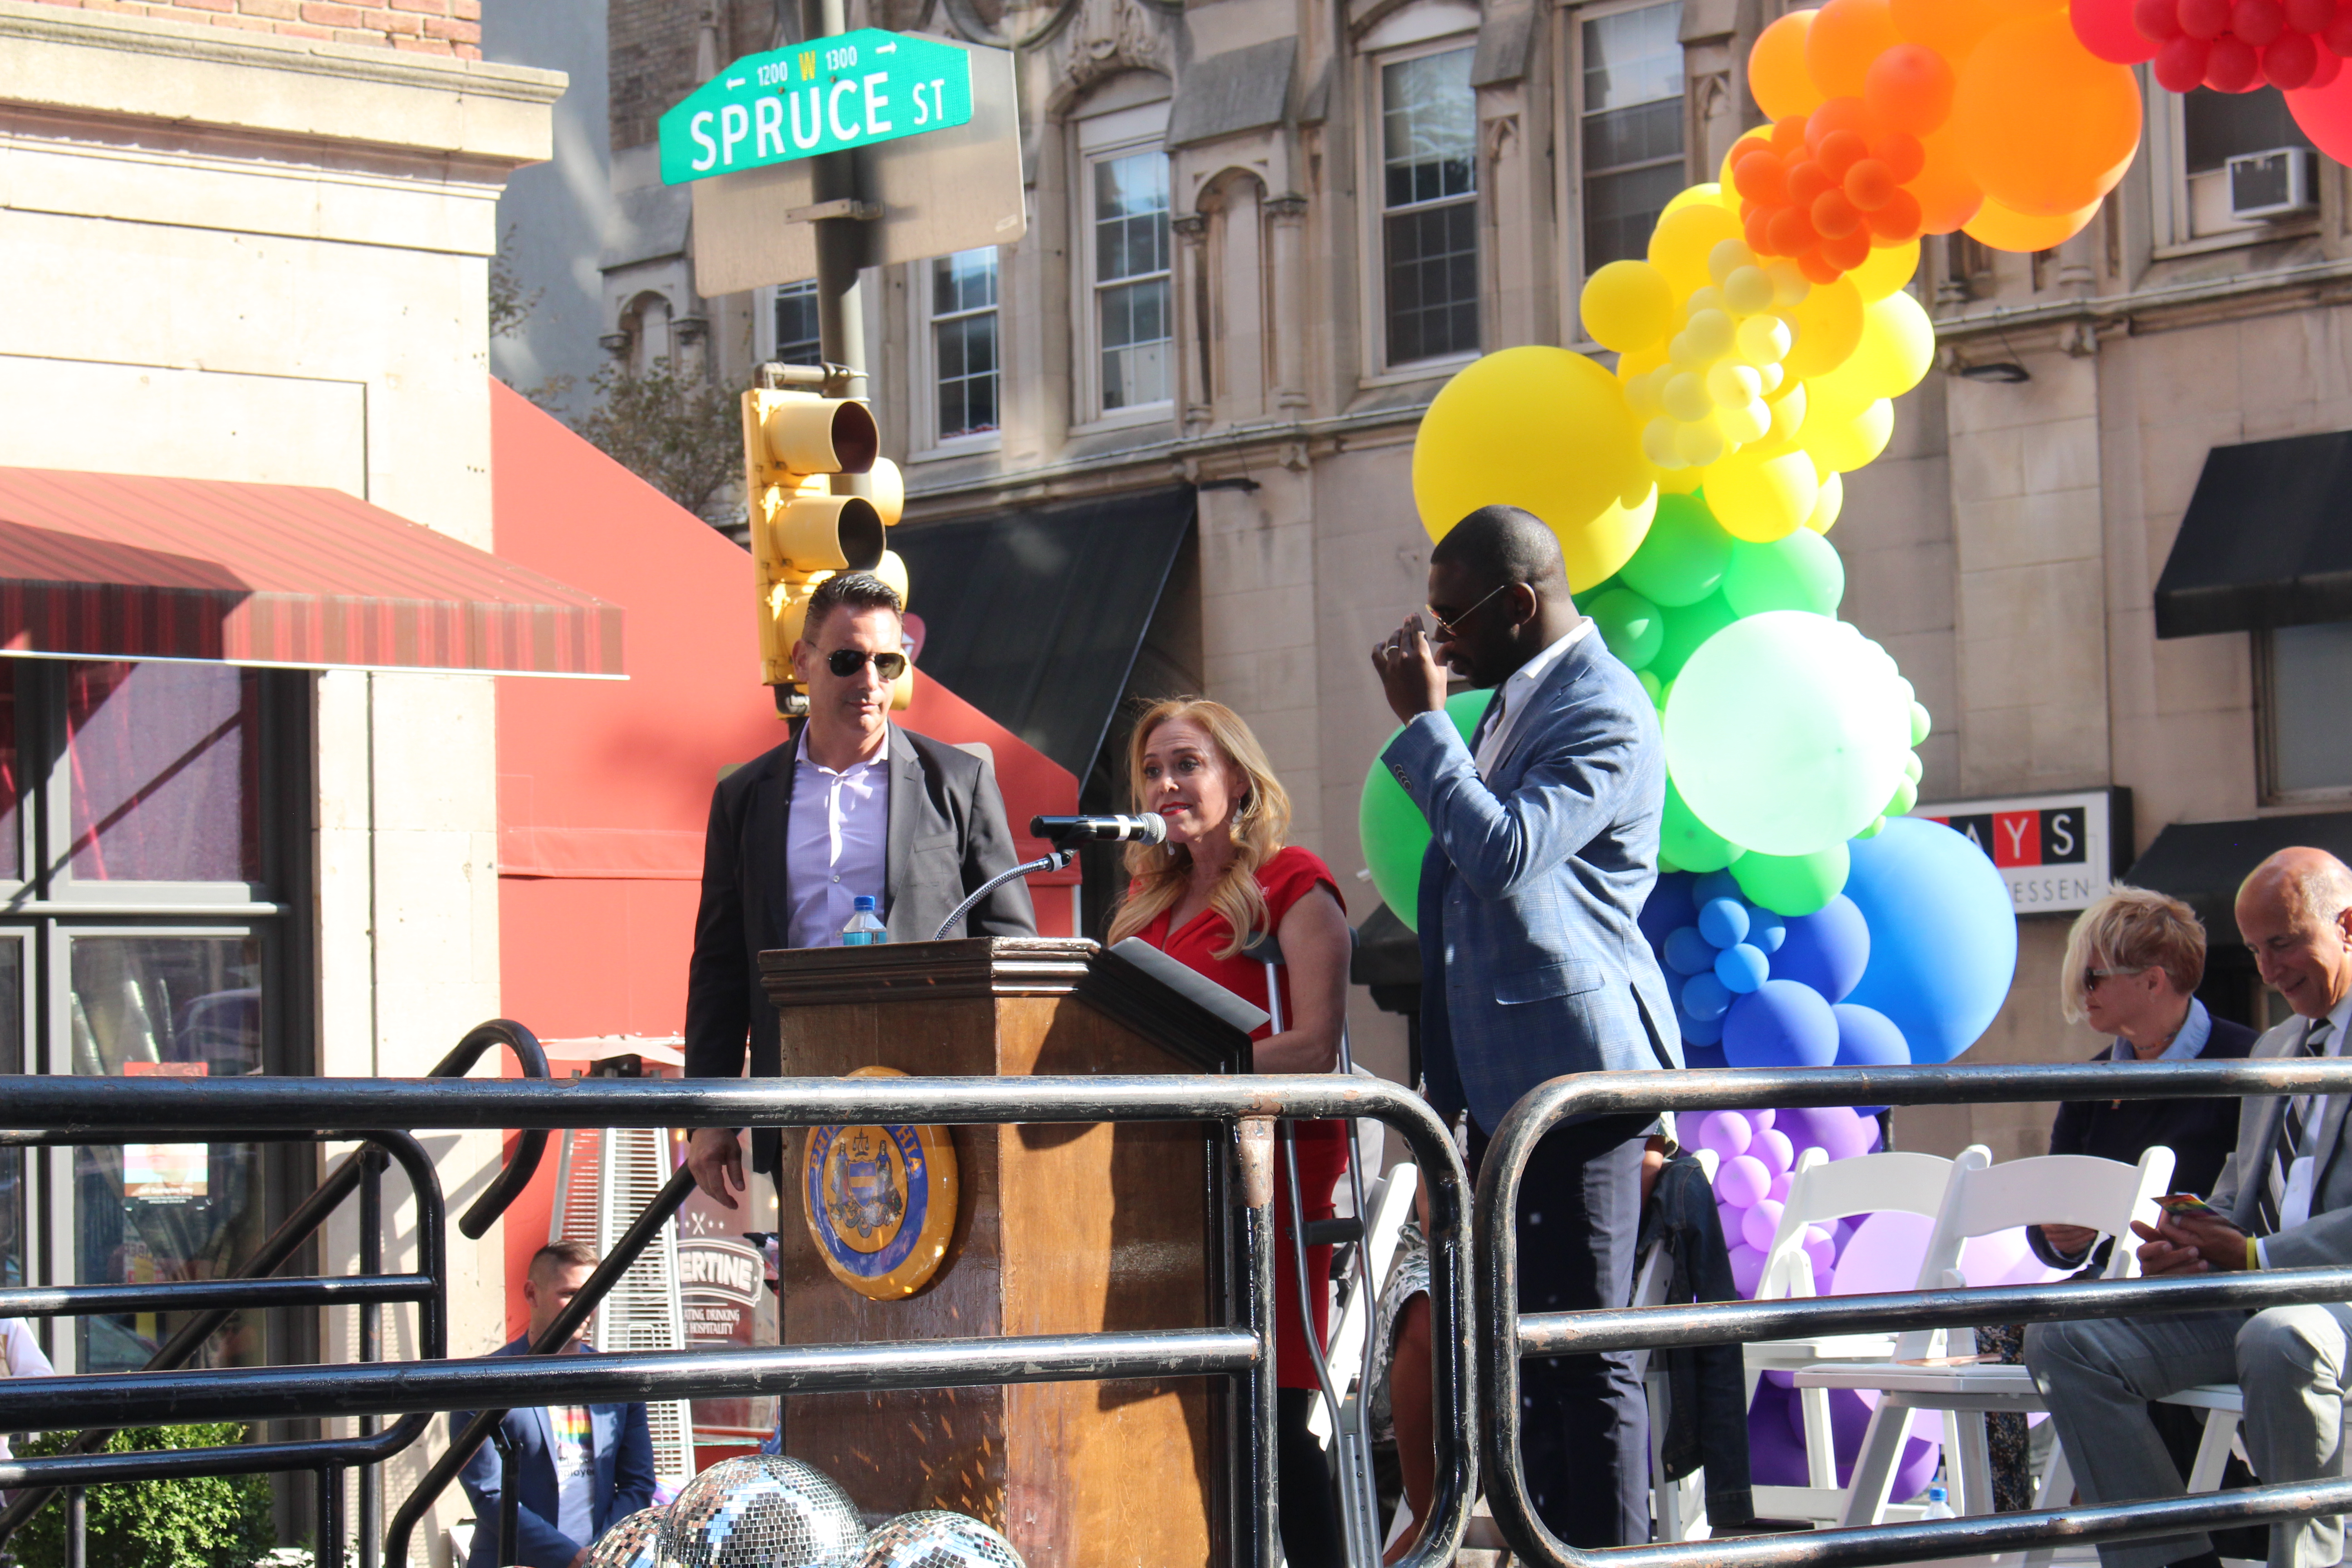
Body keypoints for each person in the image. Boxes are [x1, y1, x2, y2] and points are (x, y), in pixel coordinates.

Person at [1368, 504, 1678, 1549]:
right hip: (1501, 1086)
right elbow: (1460, 883)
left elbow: (1504, 852)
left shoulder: (1603, 706)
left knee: (1582, 1359)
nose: (1435, 639)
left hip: (1577, 1083)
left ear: (1519, 602)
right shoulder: (1511, 699)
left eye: (1451, 617)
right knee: (1525, 1361)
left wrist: (1422, 724)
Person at [2027, 847, 2352, 1568]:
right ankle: (2168, 1560)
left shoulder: (2247, 1047)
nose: (2267, 969)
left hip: (2323, 1304)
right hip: (2250, 1294)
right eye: (2256, 949)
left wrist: (2256, 1256)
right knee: (2063, 1340)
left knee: (2280, 1337)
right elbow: (2240, 1191)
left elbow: (2267, 1248)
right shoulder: (2274, 1045)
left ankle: (2311, 1560)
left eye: (2284, 942)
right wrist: (2191, 1235)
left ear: (2348, 927)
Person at [682, 570, 1037, 1207]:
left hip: (934, 1098)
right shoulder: (744, 798)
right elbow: (720, 967)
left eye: (888, 661)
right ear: (803, 660)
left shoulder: (958, 781)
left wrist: (1004, 1094)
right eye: (848, 660)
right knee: (818, 1299)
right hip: (799, 1094)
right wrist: (708, 1113)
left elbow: (1008, 945)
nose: (870, 682)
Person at [1107, 698, 1354, 1568]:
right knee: (1181, 1412)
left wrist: (1189, 1079)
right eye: (1151, 768)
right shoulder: (1145, 899)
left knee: (1272, 1421)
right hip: (1163, 1174)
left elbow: (1316, 1043)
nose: (1165, 784)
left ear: (1237, 779)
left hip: (1269, 1172)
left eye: (1185, 764)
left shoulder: (1292, 881)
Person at [2031, 886, 2258, 1274]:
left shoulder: (2251, 1062)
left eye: (2092, 977)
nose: (2084, 993)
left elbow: (2265, 1210)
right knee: (1990, 1326)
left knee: (2044, 1331)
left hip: (2205, 1287)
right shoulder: (2087, 1083)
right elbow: (2051, 1216)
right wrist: (2061, 1235)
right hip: (2112, 1286)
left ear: (2153, 982)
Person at [453, 1241, 657, 1568]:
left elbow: (639, 1483)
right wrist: (569, 1557)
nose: (585, 1306)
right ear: (532, 1294)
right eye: (571, 1294)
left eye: (593, 1294)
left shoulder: (619, 1379)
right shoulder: (482, 1381)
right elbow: (488, 1493)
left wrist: (599, 1555)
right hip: (513, 1559)